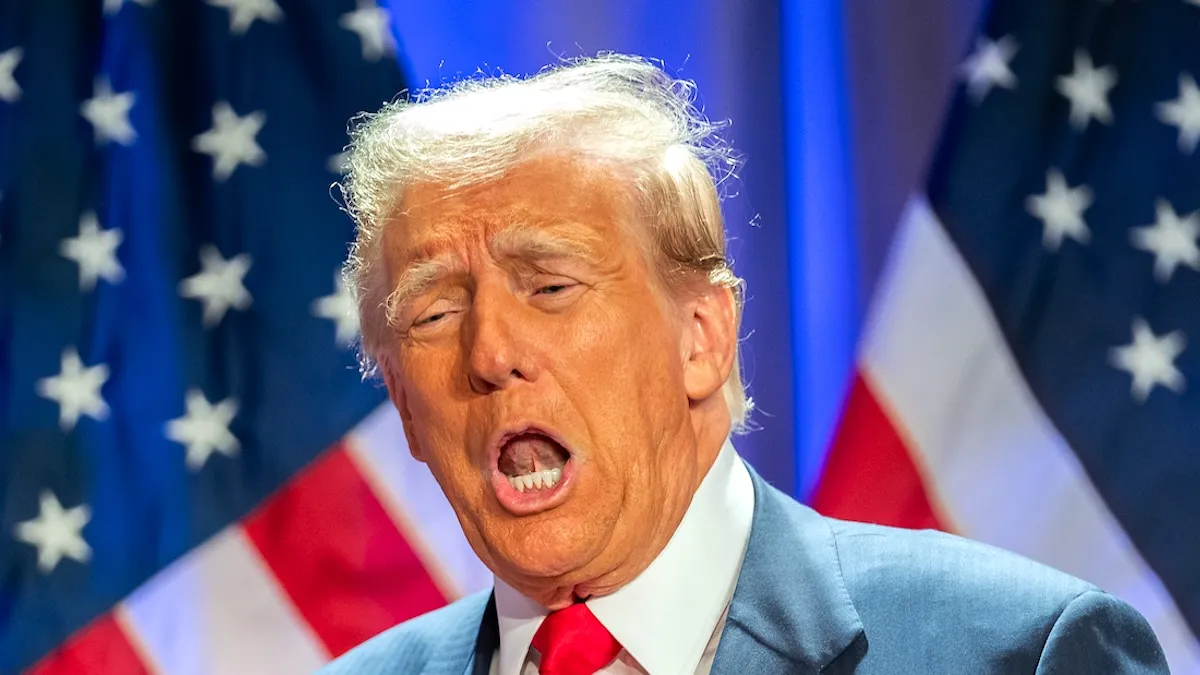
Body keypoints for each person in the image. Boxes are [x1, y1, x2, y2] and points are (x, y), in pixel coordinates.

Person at [318, 54, 1168, 675]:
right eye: (435, 311)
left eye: (550, 285)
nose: (491, 353)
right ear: (400, 399)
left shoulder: (1018, 651)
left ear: (702, 338)